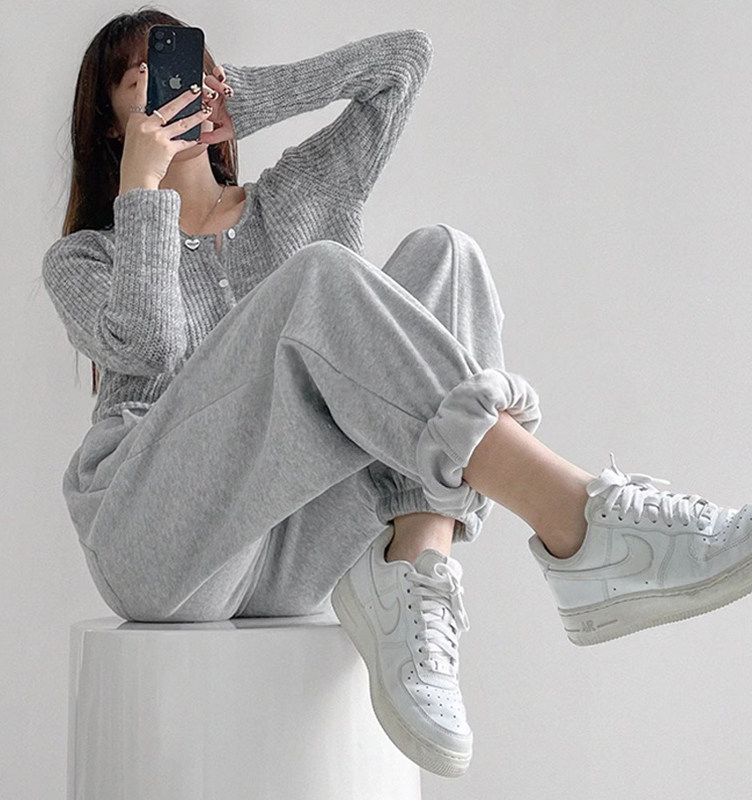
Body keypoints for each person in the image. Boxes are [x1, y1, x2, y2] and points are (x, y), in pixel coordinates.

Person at [42, 8, 752, 780]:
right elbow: (149, 346)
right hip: (160, 547)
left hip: (297, 553)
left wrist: (252, 100)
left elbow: (402, 62)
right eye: (141, 77)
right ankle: (580, 522)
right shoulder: (86, 258)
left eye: (186, 66)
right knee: (317, 276)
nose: (170, 83)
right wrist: (143, 190)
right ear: (110, 123)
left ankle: (412, 572)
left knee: (448, 257)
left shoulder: (296, 197)